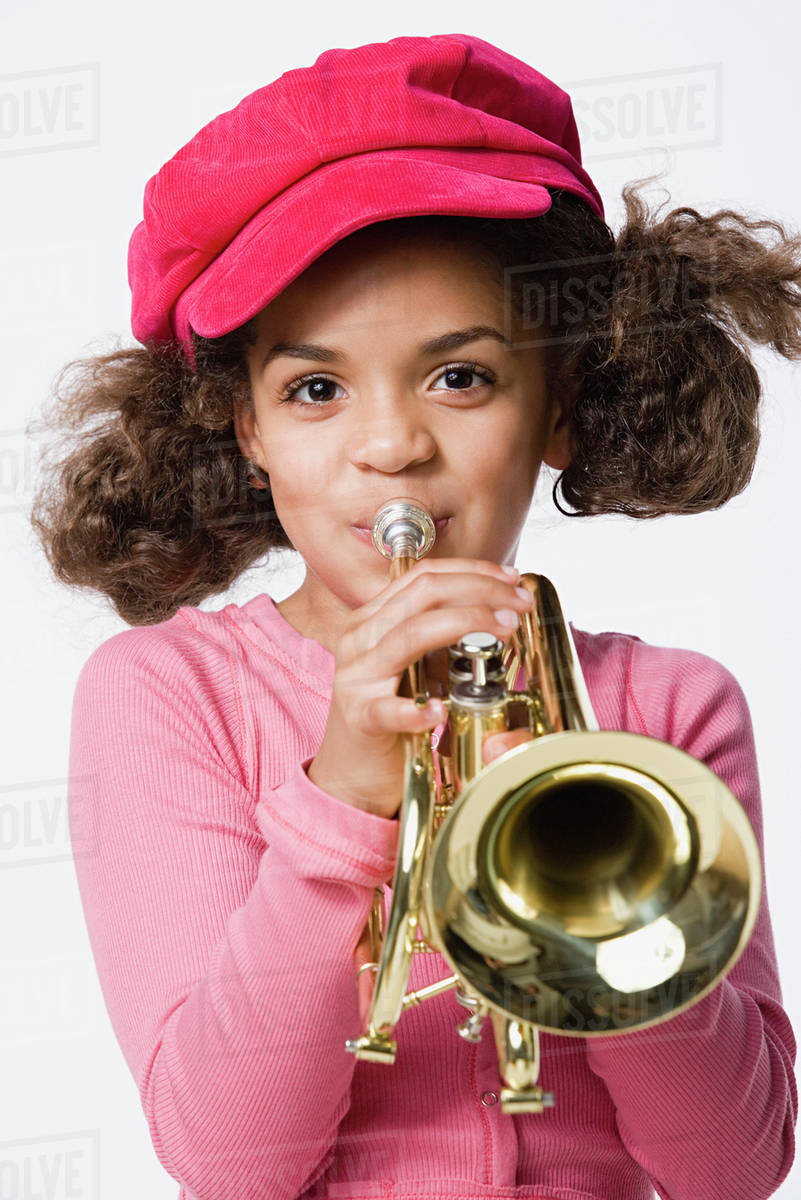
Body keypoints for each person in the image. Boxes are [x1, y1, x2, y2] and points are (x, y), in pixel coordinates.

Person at [28, 31, 799, 1200]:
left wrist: (601, 867)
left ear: (561, 405)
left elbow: (732, 1169)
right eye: (315, 390)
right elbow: (228, 1164)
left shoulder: (666, 709)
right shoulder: (167, 694)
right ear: (247, 433)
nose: (390, 447)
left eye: (462, 376)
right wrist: (341, 799)